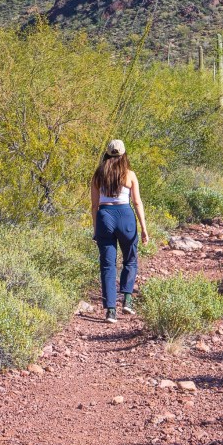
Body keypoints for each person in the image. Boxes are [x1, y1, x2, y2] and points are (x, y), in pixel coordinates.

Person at [91, 138, 149, 323]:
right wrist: (144, 228)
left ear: (107, 153)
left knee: (107, 265)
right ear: (124, 154)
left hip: (104, 217)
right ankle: (127, 300)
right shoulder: (129, 174)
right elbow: (137, 202)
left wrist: (96, 228)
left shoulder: (98, 174)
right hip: (125, 216)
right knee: (130, 259)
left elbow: (94, 205)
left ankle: (110, 311)